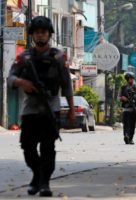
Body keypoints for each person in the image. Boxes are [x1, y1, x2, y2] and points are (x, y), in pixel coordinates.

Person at [7, 16, 75, 197]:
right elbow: (10, 78)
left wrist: (71, 110)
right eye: (37, 33)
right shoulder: (24, 57)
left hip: (51, 108)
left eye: (43, 32)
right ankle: (38, 176)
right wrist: (22, 82)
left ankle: (44, 183)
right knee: (28, 147)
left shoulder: (59, 57)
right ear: (32, 36)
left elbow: (67, 85)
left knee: (47, 148)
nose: (40, 36)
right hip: (30, 108)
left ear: (49, 34)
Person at [119, 72, 136, 145]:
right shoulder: (123, 88)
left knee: (133, 125)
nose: (131, 80)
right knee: (126, 124)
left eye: (132, 78)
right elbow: (119, 97)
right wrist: (124, 98)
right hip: (126, 109)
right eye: (130, 79)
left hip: (134, 109)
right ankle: (126, 136)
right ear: (127, 79)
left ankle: (131, 138)